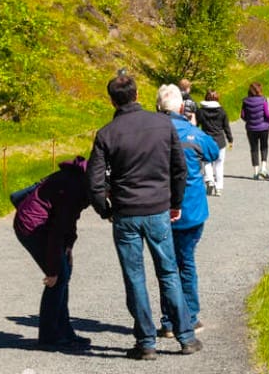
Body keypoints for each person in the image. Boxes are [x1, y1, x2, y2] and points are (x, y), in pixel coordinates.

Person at [86, 71, 201, 359]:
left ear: (112, 101)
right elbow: (179, 168)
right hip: (158, 209)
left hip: (126, 212)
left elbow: (94, 181)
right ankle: (185, 337)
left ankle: (146, 342)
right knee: (169, 271)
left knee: (134, 276)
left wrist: (105, 210)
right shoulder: (163, 124)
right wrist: (176, 202)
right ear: (137, 95)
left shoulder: (106, 134)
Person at [156, 85, 219, 339]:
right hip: (191, 209)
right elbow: (213, 152)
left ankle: (169, 320)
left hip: (160, 207)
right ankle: (189, 317)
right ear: (183, 107)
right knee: (186, 262)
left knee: (166, 265)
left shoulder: (154, 133)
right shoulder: (192, 134)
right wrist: (191, 124)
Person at [12, 156, 91, 349]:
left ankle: (64, 331)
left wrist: (69, 246)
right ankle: (49, 336)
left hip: (47, 224)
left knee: (64, 274)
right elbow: (58, 229)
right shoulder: (76, 185)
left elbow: (69, 219)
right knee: (58, 278)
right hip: (32, 225)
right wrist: (52, 269)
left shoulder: (81, 179)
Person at [196, 90, 233, 195]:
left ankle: (210, 180)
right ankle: (219, 187)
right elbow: (226, 127)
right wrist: (230, 139)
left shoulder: (201, 111)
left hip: (206, 140)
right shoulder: (222, 111)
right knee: (219, 164)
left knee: (207, 161)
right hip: (220, 141)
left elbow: (196, 125)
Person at [241, 81, 269, 180]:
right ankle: (263, 168)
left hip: (251, 128)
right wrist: (267, 122)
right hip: (263, 127)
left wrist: (249, 121)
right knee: (264, 146)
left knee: (254, 149)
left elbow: (242, 115)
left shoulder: (245, 101)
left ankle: (255, 172)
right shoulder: (263, 100)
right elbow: (267, 114)